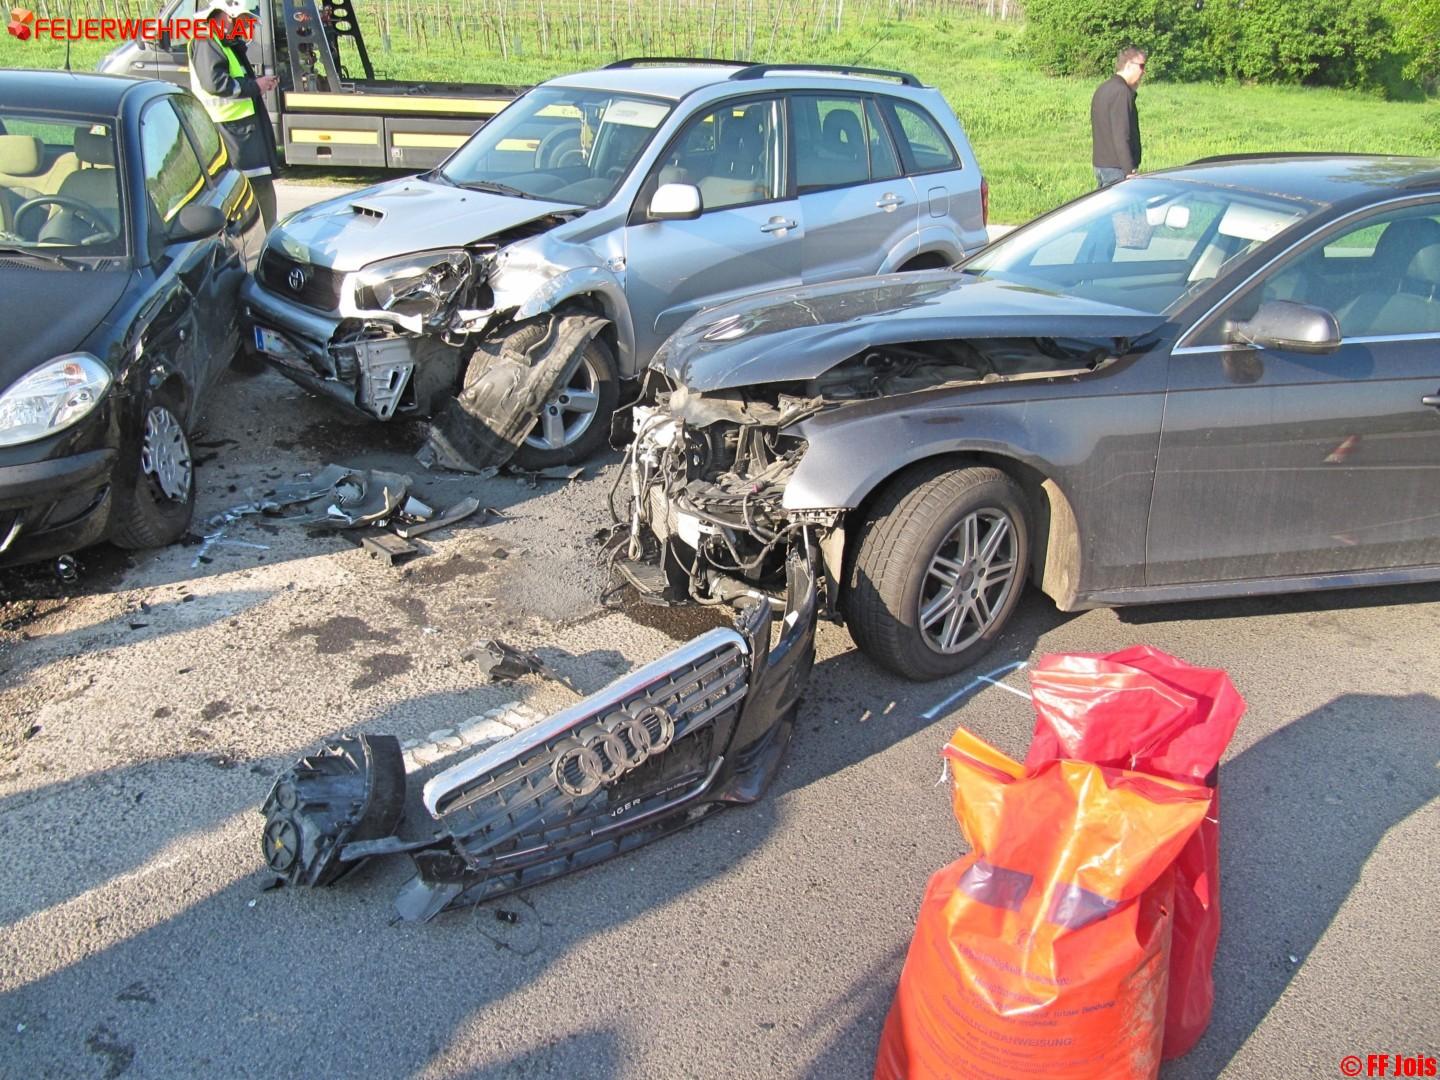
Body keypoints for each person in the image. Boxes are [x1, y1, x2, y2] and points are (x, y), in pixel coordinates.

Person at [189, 0, 280, 229]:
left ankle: (267, 240)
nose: (241, 26)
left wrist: (257, 83)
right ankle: (261, 243)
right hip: (229, 130)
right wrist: (255, 86)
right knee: (244, 190)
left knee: (259, 186)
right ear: (226, 16)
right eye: (239, 20)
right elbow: (215, 82)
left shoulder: (222, 39)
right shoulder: (206, 37)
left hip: (240, 128)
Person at [1090, 46, 1146, 189]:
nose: (1144, 71)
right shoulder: (1121, 92)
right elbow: (1121, 134)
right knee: (1121, 211)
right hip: (1117, 169)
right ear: (1128, 65)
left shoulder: (1103, 88)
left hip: (1102, 165)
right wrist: (1129, 170)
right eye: (1141, 66)